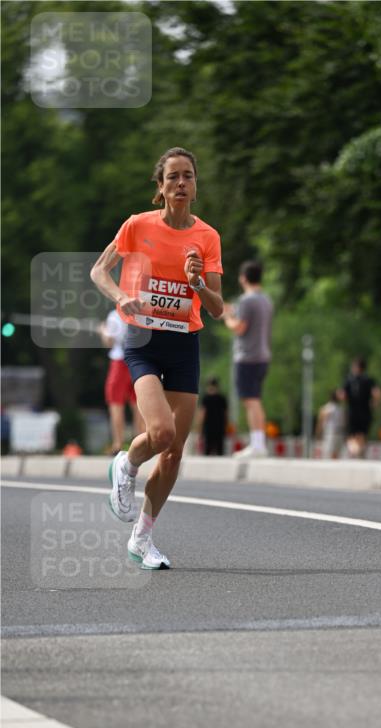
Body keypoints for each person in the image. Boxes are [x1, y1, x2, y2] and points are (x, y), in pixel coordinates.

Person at [90, 146, 223, 569]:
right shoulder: (137, 226)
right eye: (173, 177)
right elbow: (99, 271)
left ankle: (142, 540)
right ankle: (126, 464)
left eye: (188, 176)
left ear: (196, 186)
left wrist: (197, 283)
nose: (181, 183)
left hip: (184, 344)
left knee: (174, 452)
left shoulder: (207, 237)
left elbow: (218, 307)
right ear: (161, 187)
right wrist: (120, 297)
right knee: (161, 432)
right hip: (142, 339)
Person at [222, 261, 273, 458]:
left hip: (247, 356)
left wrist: (227, 318)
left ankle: (258, 444)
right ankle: (258, 442)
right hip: (262, 355)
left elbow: (239, 327)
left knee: (251, 401)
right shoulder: (266, 300)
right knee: (255, 399)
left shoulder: (246, 301)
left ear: (243, 278)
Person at [98, 309, 144, 455]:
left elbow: (109, 341)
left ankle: (118, 444)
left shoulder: (115, 315)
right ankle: (140, 442)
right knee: (139, 404)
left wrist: (102, 330)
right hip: (139, 361)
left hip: (120, 362)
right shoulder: (141, 312)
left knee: (116, 403)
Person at [342, 358, 381, 458]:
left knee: (351, 434)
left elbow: (343, 395)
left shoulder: (349, 379)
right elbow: (377, 392)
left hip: (353, 411)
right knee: (362, 434)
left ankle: (355, 451)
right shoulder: (369, 379)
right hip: (365, 411)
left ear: (356, 367)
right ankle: (360, 452)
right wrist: (375, 403)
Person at [196, 377, 228, 456]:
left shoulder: (205, 398)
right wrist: (226, 425)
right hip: (220, 427)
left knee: (207, 450)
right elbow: (226, 413)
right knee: (220, 450)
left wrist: (199, 427)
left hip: (208, 427)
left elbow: (202, 414)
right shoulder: (222, 398)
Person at [316, 389, 343, 459]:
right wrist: (319, 432)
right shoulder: (328, 408)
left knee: (335, 453)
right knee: (329, 453)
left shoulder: (339, 408)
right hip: (330, 433)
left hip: (336, 432)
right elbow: (321, 420)